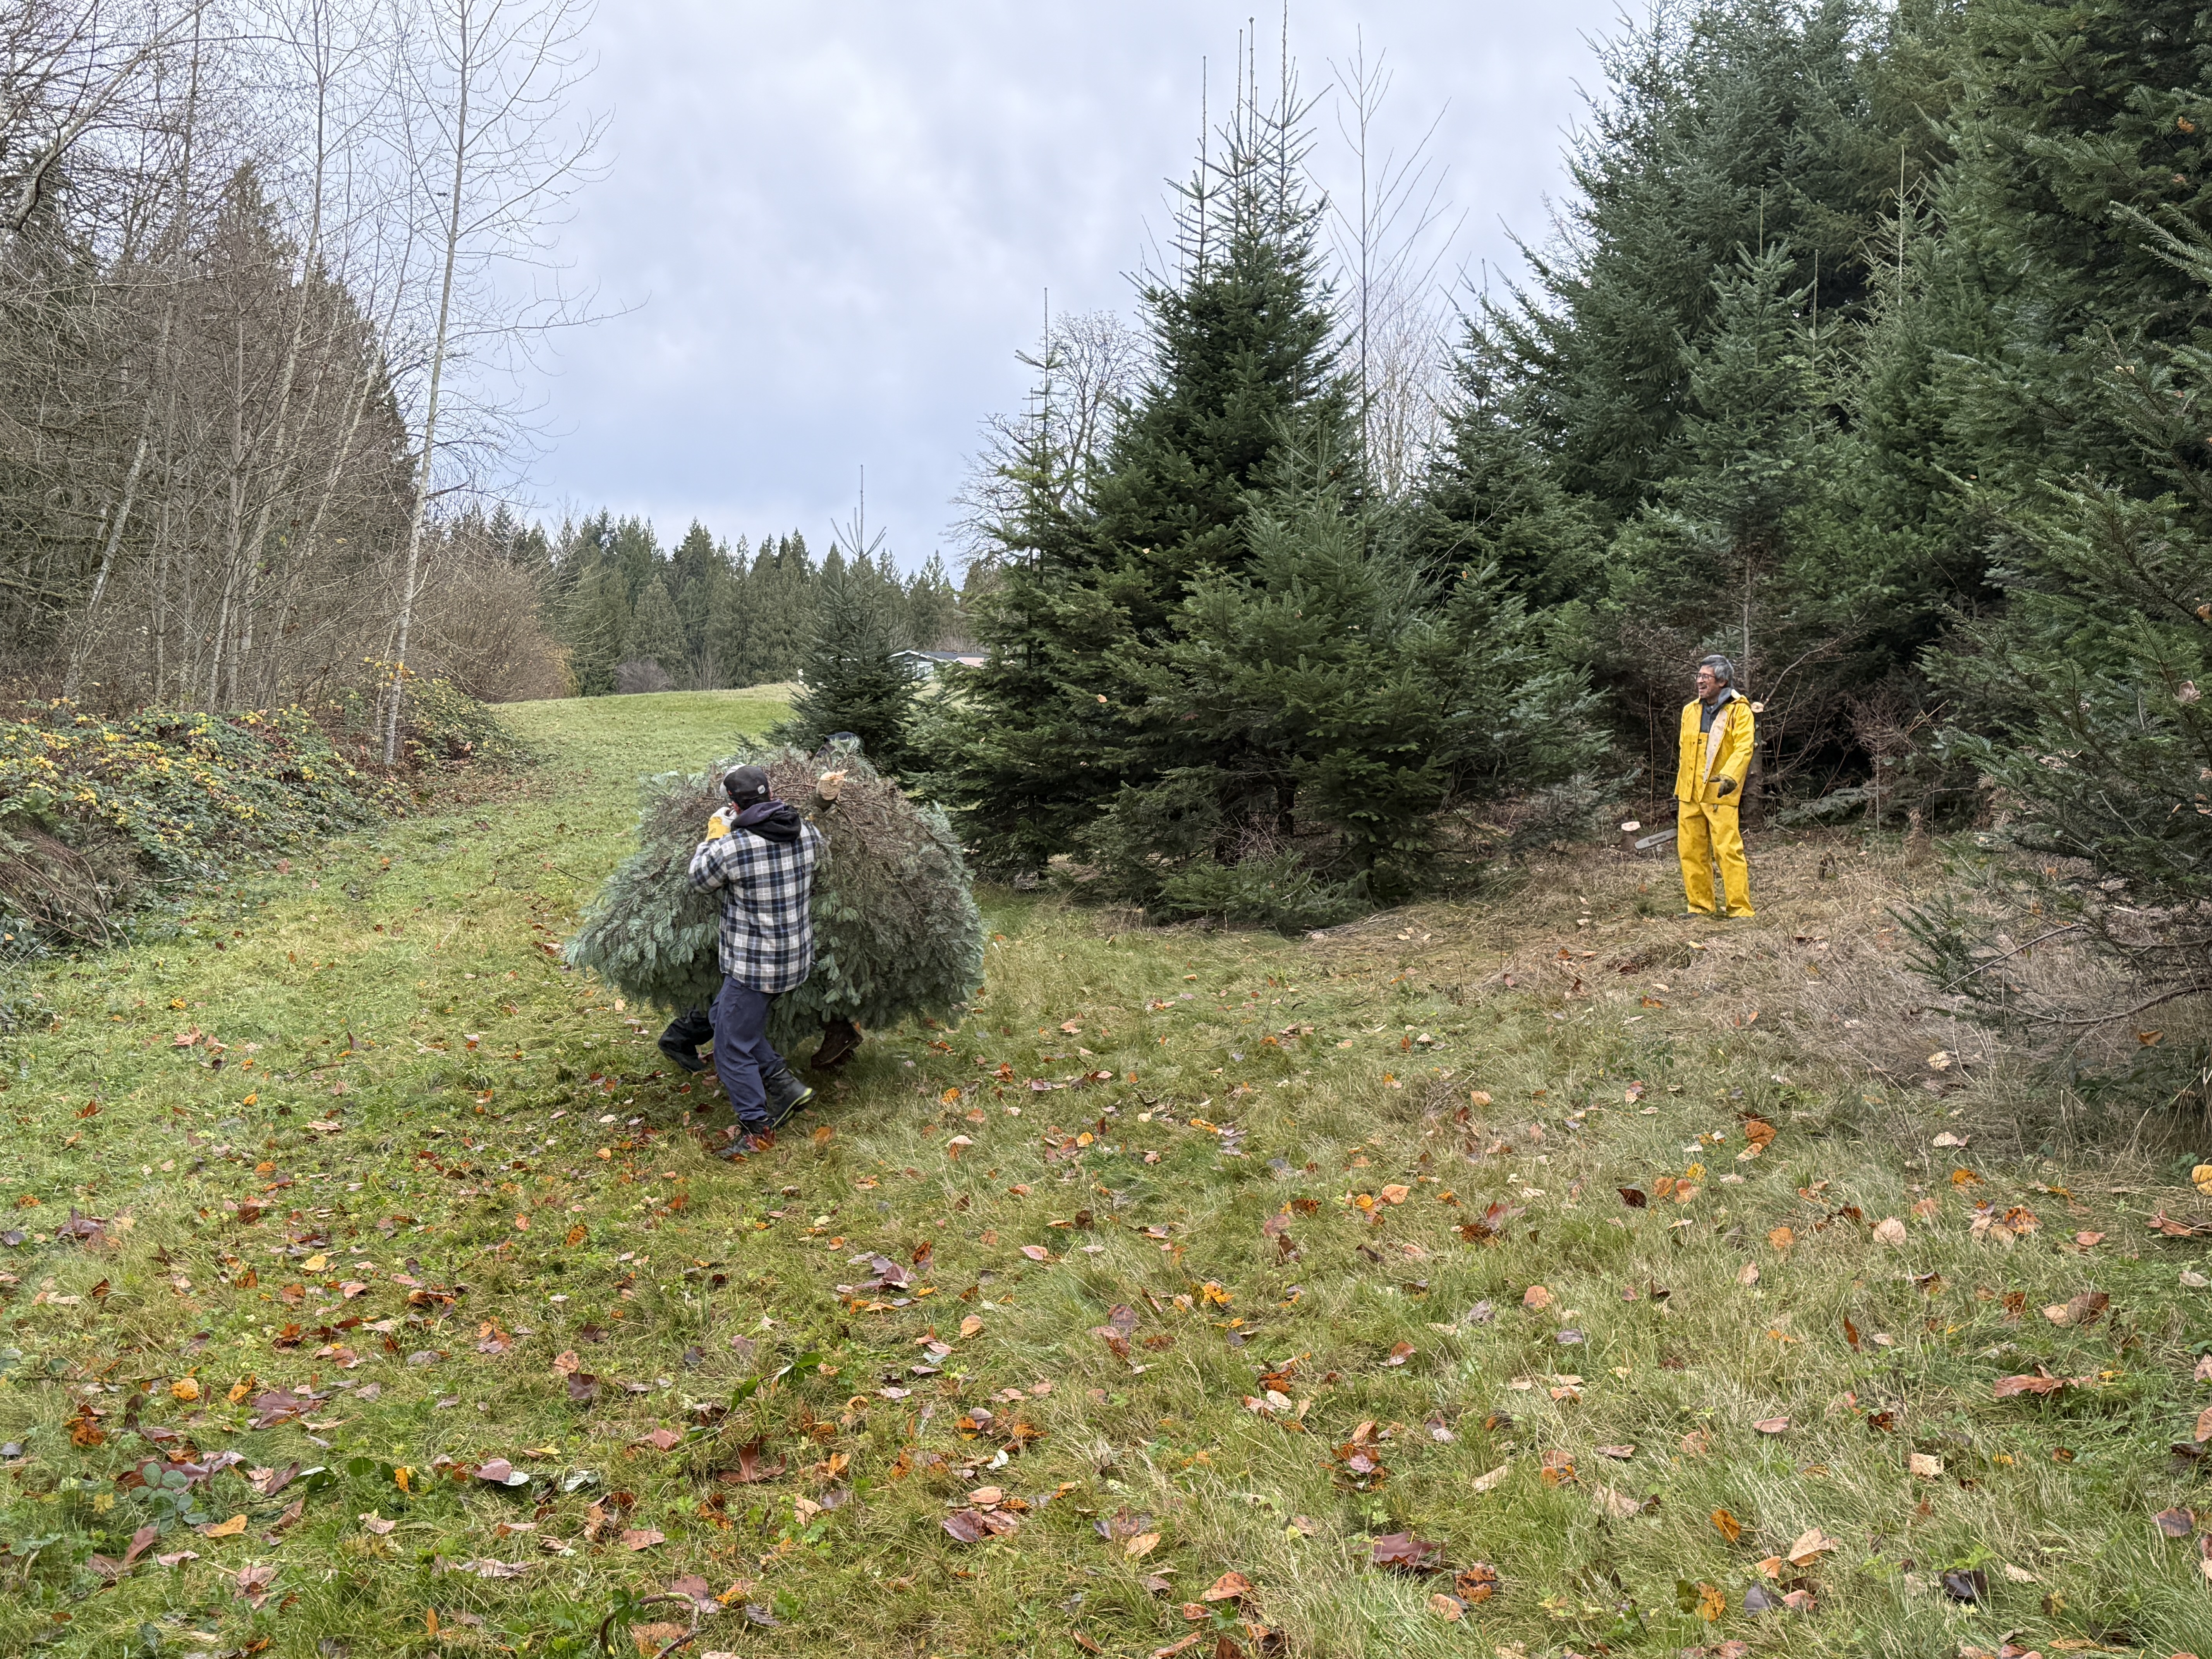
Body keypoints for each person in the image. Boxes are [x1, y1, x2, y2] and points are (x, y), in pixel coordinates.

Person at [687, 763, 830, 1152]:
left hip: (754, 965)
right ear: (770, 793)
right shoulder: (807, 833)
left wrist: (715, 834)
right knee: (723, 1017)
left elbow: (698, 879)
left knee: (730, 1048)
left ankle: (757, 1130)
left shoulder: (734, 848)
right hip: (795, 957)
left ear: (733, 803)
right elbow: (816, 846)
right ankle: (784, 1086)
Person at [1674, 654, 1755, 918]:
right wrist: (1682, 786)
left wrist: (1731, 777)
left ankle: (1739, 909)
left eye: (1705, 677)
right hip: (1690, 793)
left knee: (1728, 851)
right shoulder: (1690, 711)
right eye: (1698, 677)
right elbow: (1684, 752)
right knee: (1691, 851)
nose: (1699, 681)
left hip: (1720, 791)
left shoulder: (1739, 710)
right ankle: (1699, 907)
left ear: (1722, 681)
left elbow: (1744, 747)